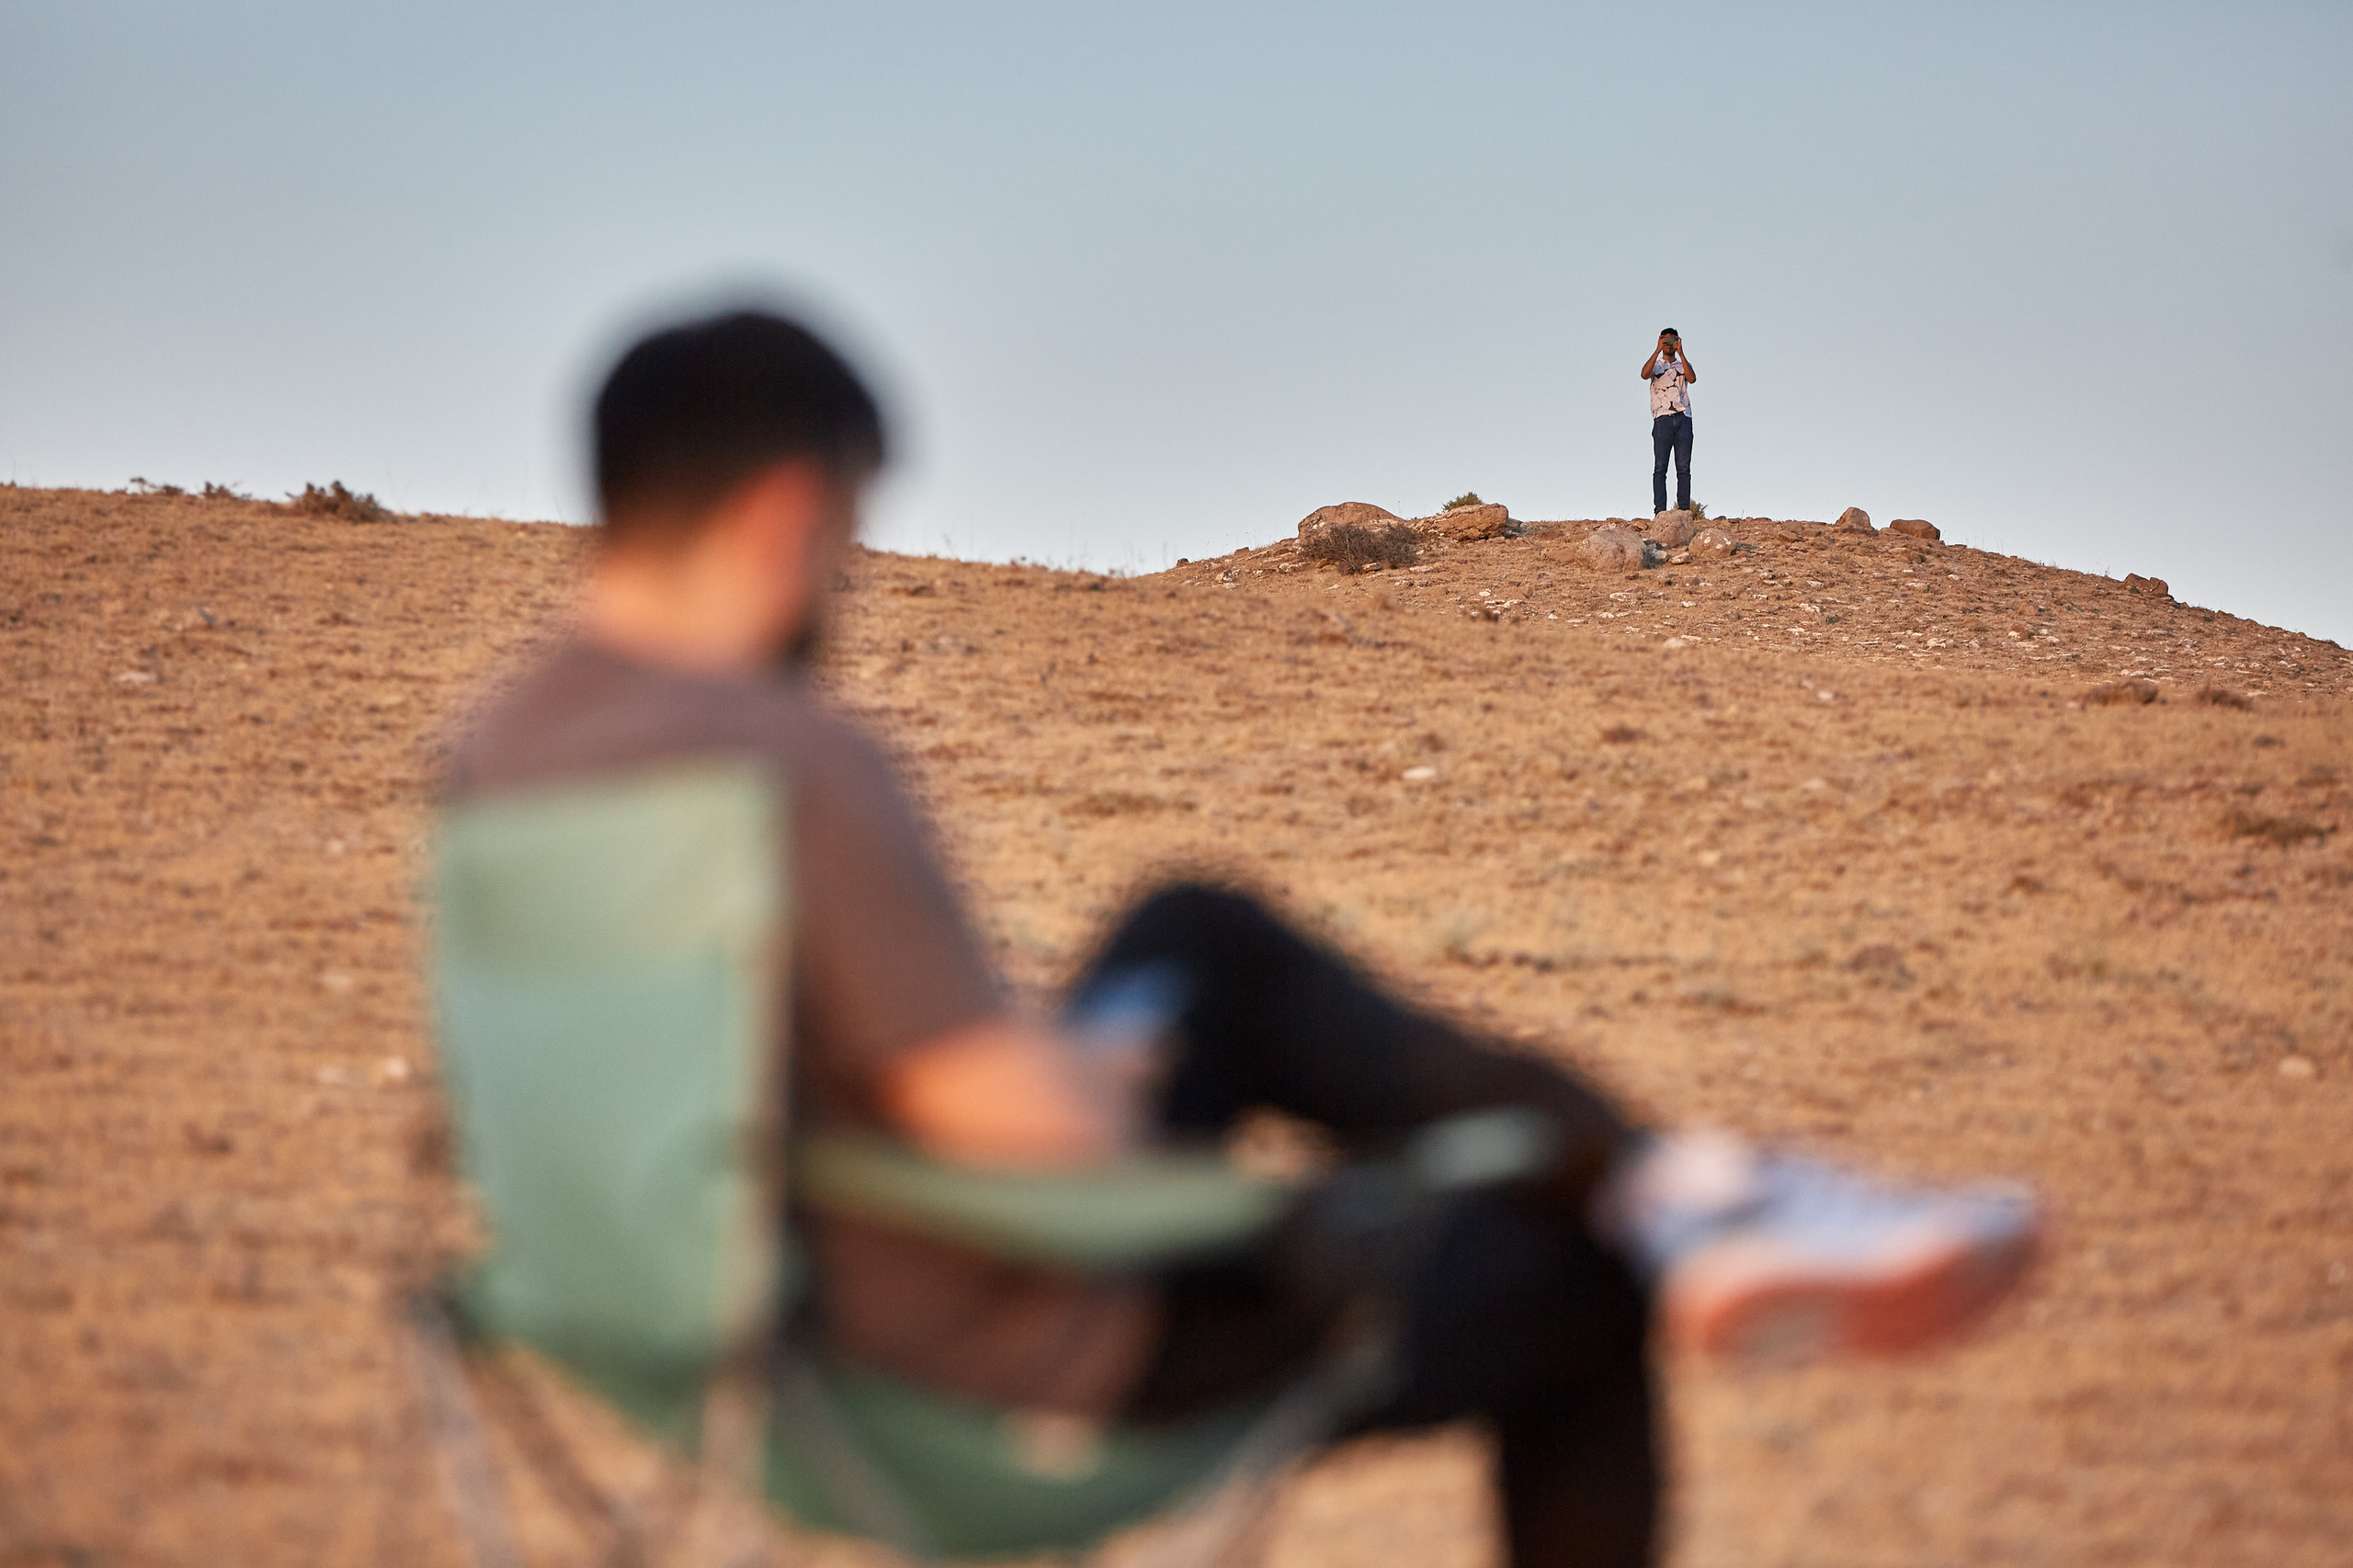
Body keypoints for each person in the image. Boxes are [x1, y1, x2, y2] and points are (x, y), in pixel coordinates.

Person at [444, 308, 2039, 1568]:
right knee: (1577, 1280)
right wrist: (1109, 1077)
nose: (845, 573)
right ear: (791, 508)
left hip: (714, 1336)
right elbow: (1010, 1131)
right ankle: (1678, 1200)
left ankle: (1685, 1188)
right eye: (851, 527)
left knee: (1190, 928)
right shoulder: (779, 762)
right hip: (992, 1354)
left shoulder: (496, 767)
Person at [1642, 327, 1696, 517]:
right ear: (1660, 340)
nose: (1669, 344)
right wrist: (1657, 350)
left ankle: (1684, 511)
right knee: (1660, 467)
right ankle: (1660, 512)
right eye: (1666, 340)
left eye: (1672, 340)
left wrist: (1681, 353)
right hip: (1662, 419)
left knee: (1683, 468)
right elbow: (1644, 374)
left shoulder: (1683, 365)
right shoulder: (1656, 365)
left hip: (1683, 418)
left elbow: (1692, 379)